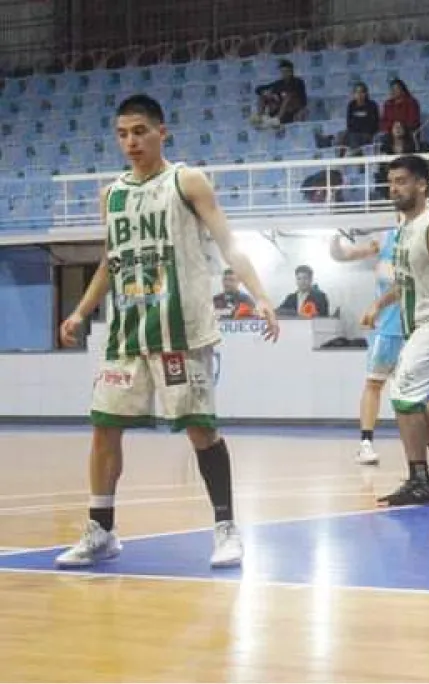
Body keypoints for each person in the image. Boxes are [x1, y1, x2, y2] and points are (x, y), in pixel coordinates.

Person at [55, 94, 280, 568]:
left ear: (162, 132)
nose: (131, 141)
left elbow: (227, 241)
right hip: (127, 331)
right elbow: (109, 262)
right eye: (122, 134)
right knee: (104, 427)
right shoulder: (110, 194)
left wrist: (261, 295)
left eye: (140, 131)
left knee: (200, 431)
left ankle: (226, 528)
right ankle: (102, 529)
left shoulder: (187, 181)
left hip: (181, 330)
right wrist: (80, 311)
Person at [363, 156, 429, 507]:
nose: (394, 188)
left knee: (403, 393)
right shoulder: (406, 229)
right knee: (410, 394)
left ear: (422, 184)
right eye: (391, 182)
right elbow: (411, 283)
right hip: (420, 324)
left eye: (402, 181)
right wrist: (379, 305)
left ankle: (419, 477)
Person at [329, 231, 429, 465]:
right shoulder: (386, 239)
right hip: (388, 327)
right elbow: (344, 254)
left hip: (419, 326)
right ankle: (365, 444)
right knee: (374, 383)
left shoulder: (428, 237)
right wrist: (334, 241)